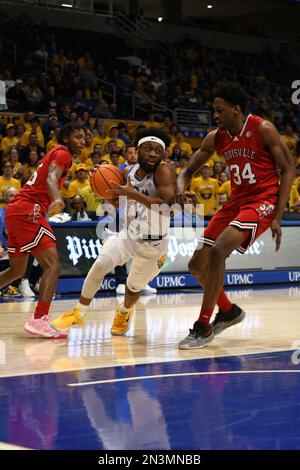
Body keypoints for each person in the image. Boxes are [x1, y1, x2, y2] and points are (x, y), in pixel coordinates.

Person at [177, 84, 295, 349]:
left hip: (263, 199)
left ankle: (203, 326)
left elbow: (288, 169)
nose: (215, 115)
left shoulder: (262, 128)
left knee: (219, 252)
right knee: (197, 265)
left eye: (219, 110)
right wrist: (179, 188)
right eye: (213, 110)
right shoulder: (215, 137)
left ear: (236, 109)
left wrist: (277, 215)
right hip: (237, 201)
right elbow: (187, 172)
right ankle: (228, 311)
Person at [51, 127, 176, 335]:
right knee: (100, 265)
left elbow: (165, 206)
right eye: (147, 149)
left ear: (163, 154)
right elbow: (118, 202)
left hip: (154, 244)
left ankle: (125, 311)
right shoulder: (128, 172)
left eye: (157, 150)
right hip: (129, 234)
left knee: (133, 287)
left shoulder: (164, 171)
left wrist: (133, 194)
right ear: (137, 150)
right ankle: (78, 313)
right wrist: (99, 181)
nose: (152, 154)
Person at [0, 124, 84, 338]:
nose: (82, 141)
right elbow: (50, 178)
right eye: (78, 137)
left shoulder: (56, 153)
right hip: (30, 210)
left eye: (84, 138)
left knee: (17, 271)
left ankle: (39, 319)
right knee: (53, 266)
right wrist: (57, 198)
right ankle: (39, 319)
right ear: (66, 138)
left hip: (16, 211)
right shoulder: (63, 152)